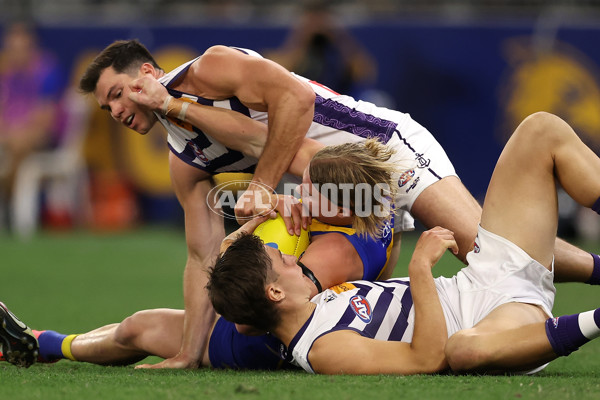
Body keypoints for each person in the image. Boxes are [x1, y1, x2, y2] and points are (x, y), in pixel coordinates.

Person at [78, 39, 598, 370]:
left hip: (383, 148)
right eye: (108, 107)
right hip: (343, 187)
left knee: (481, 244)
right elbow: (201, 257)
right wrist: (189, 353)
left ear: (148, 72)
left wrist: (270, 188)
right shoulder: (183, 155)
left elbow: (297, 105)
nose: (117, 110)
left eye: (120, 94)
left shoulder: (210, 69)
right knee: (493, 246)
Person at [208, 112, 600, 375]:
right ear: (274, 291)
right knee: (464, 351)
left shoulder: (305, 300)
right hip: (495, 323)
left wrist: (245, 229)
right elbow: (428, 358)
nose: (290, 256)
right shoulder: (318, 348)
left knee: (540, 129)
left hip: (486, 270)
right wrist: (420, 270)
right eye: (281, 261)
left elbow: (238, 299)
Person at [0, 183, 395, 369]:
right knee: (138, 326)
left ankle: (45, 343)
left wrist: (239, 243)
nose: (307, 190)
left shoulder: (331, 253)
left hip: (257, 343)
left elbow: (245, 325)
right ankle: (42, 344)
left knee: (138, 329)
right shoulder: (367, 227)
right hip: (263, 317)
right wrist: (256, 220)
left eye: (316, 186)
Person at [0, 21, 64, 223]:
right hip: (10, 137)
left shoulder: (47, 71)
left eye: (20, 48)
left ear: (31, 48)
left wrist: (16, 134)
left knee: (19, 145)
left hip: (42, 137)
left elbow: (45, 117)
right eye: (11, 48)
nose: (15, 53)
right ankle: (12, 201)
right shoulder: (5, 73)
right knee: (14, 145)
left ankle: (10, 203)